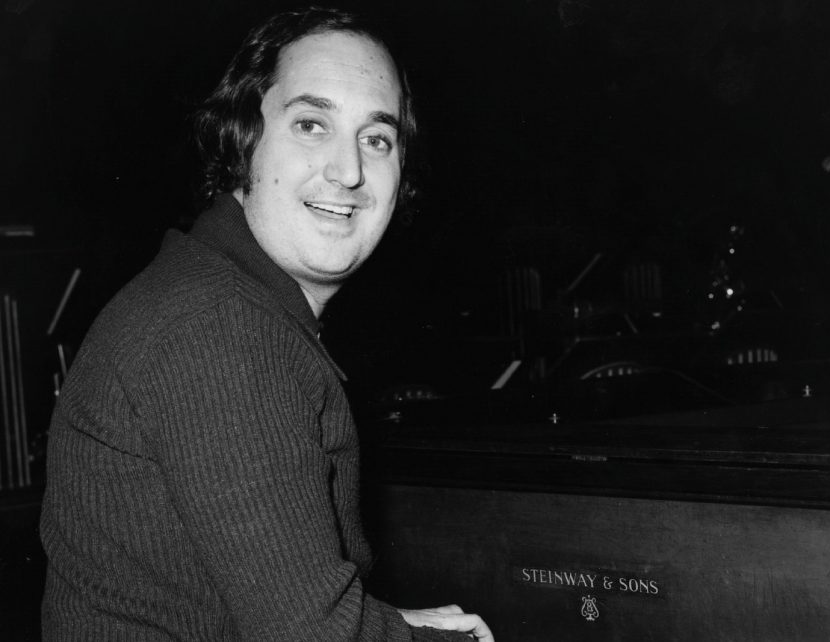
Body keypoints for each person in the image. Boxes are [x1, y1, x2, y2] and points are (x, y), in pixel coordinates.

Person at [39, 6, 493, 641]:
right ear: (242, 139)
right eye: (311, 125)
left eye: (376, 138)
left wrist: (389, 625)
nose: (349, 171)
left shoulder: (217, 296)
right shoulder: (223, 329)